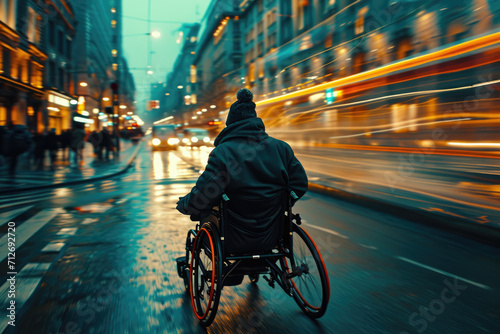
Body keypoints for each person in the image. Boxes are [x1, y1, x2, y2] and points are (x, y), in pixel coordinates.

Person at [176, 88, 308, 253]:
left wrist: (185, 205)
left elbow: (205, 193)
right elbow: (299, 184)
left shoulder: (223, 153)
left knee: (204, 212)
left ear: (230, 124)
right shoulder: (281, 148)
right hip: (272, 232)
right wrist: (284, 202)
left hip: (233, 237)